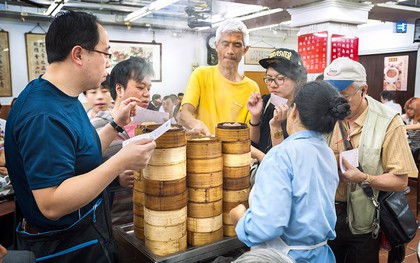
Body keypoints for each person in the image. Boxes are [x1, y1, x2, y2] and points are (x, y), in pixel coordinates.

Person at [4, 11, 156, 262]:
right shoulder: (43, 115)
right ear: (78, 54)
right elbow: (52, 202)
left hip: (88, 232)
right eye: (105, 53)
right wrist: (121, 161)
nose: (108, 63)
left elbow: (83, 151)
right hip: (65, 245)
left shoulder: (65, 96)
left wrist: (115, 126)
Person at [230, 81, 351, 262]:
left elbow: (267, 226)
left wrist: (240, 218)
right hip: (319, 255)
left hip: (285, 256)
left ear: (294, 112)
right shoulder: (325, 152)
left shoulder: (281, 155)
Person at [324, 57, 417, 263]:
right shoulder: (326, 115)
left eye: (343, 97)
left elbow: (400, 181)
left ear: (363, 90)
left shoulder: (388, 122)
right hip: (325, 216)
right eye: (331, 96)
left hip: (363, 222)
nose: (336, 103)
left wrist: (364, 178)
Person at [90, 56, 154, 225]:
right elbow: (83, 174)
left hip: (150, 218)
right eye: (140, 87)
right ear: (119, 89)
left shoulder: (150, 126)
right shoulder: (96, 127)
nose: (147, 94)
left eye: (149, 88)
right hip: (114, 223)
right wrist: (116, 179)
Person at [178, 18, 259, 135]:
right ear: (216, 46)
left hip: (234, 151)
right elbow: (184, 115)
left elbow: (251, 136)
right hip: (203, 149)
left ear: (245, 50)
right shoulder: (201, 75)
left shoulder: (252, 87)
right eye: (225, 44)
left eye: (236, 45)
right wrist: (195, 124)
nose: (230, 51)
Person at [247, 48, 307, 164]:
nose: (273, 85)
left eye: (280, 79)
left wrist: (276, 126)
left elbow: (284, 160)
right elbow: (254, 142)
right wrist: (255, 117)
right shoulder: (266, 101)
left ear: (298, 80)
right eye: (269, 79)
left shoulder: (303, 111)